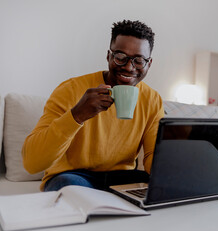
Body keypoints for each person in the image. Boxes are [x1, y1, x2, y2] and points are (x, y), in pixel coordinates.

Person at [22, 20, 164, 192]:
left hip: (121, 178)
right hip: (73, 175)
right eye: (120, 57)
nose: (128, 67)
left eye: (139, 60)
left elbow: (152, 160)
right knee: (68, 187)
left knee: (160, 188)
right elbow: (31, 163)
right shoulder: (70, 90)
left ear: (149, 64)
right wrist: (77, 115)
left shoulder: (153, 99)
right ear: (108, 56)